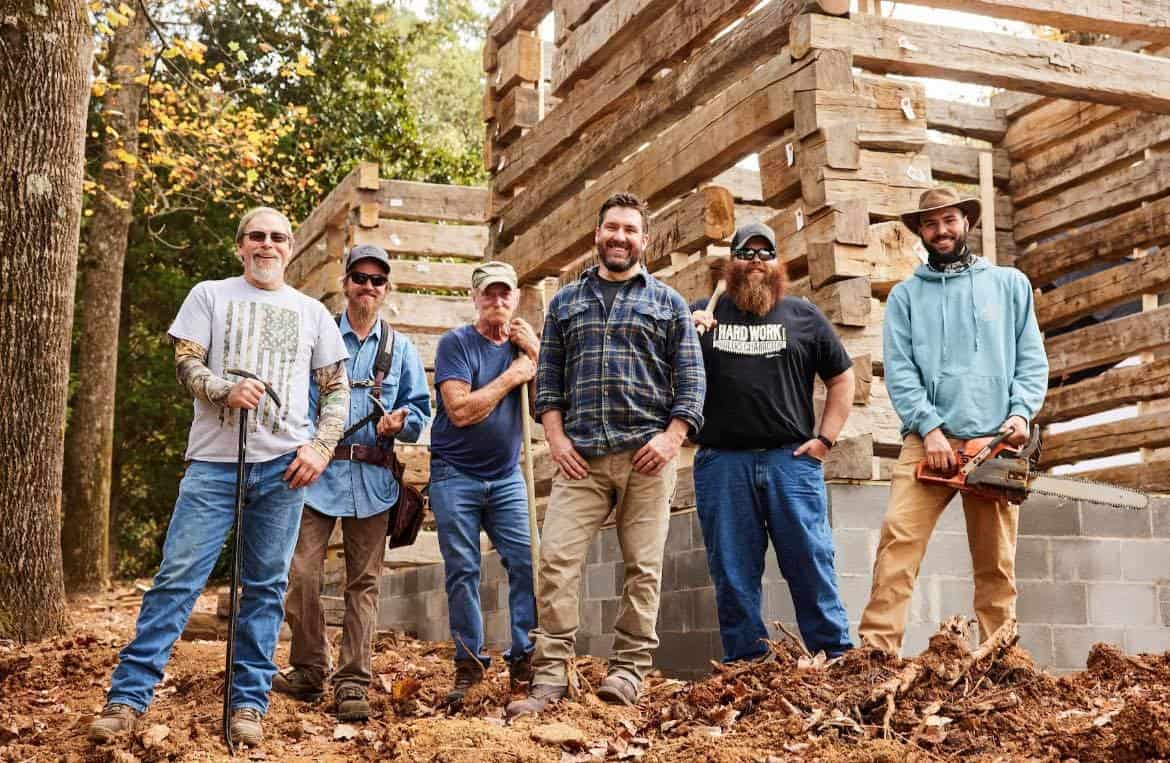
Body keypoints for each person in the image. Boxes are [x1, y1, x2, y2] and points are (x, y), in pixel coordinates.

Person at [89, 208, 350, 746]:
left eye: (278, 237)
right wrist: (221, 390)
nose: (268, 245)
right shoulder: (210, 295)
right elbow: (187, 364)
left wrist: (321, 449)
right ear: (240, 246)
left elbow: (338, 389)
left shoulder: (311, 313)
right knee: (177, 579)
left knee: (265, 589)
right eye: (257, 236)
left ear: (290, 247)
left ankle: (248, 705)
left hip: (284, 470)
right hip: (213, 463)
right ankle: (128, 697)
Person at [507, 192, 706, 717]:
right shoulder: (567, 302)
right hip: (582, 462)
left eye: (630, 230)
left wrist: (671, 438)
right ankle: (550, 674)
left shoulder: (668, 304)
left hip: (648, 459)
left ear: (645, 240)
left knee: (643, 567)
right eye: (611, 228)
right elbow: (547, 382)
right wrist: (556, 439)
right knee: (555, 563)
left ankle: (629, 671)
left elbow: (691, 383)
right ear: (598, 234)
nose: (620, 237)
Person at [858, 186, 1048, 653]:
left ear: (966, 222)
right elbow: (900, 372)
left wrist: (1021, 413)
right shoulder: (905, 298)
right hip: (929, 444)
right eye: (930, 223)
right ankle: (875, 657)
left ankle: (1001, 659)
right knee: (897, 547)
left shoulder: (1008, 284)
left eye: (949, 221)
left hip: (994, 444)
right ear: (919, 232)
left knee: (996, 564)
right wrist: (930, 429)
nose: (941, 231)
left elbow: (1031, 358)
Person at [272, 244, 431, 721]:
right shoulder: (320, 337)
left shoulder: (399, 348)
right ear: (345, 282)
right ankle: (308, 668)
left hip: (373, 478)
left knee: (364, 583)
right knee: (301, 574)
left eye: (377, 280)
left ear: (385, 289)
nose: (367, 286)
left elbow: (420, 412)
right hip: (317, 475)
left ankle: (353, 681)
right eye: (359, 277)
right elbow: (297, 404)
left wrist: (400, 423)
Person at [689, 222, 855, 661]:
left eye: (766, 254)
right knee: (732, 570)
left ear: (778, 264)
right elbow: (663, 372)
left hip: (791, 461)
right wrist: (685, 335)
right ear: (730, 264)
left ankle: (835, 656)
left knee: (810, 561)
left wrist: (825, 440)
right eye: (747, 253)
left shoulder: (803, 315)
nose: (757, 263)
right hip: (723, 464)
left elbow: (842, 377)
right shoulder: (700, 317)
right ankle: (747, 662)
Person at [428, 261, 540, 706]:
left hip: (507, 475)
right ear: (474, 298)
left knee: (528, 562)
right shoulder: (456, 344)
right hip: (455, 473)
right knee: (463, 570)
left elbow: (548, 400)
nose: (497, 301)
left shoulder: (524, 348)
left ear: (516, 298)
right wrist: (513, 374)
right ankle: (469, 665)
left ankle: (525, 659)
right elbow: (460, 410)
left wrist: (537, 356)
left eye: (504, 294)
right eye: (488, 294)